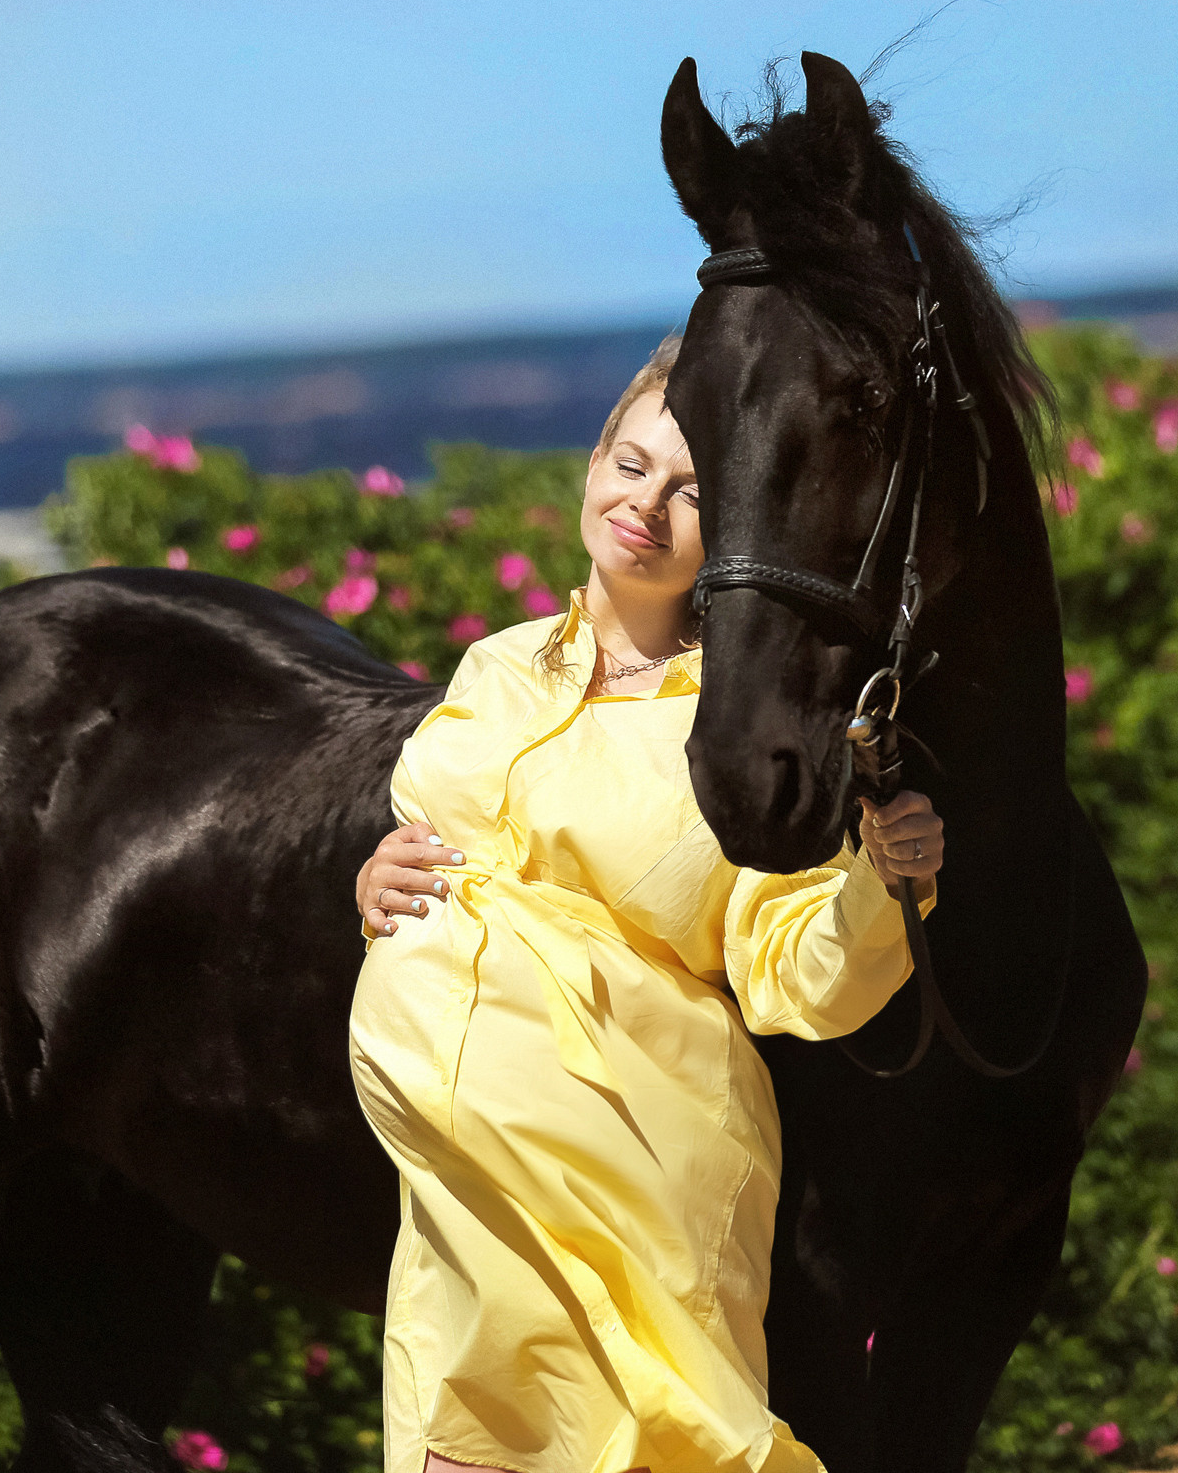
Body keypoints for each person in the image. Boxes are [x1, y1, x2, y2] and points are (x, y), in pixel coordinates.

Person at [348, 335, 945, 1473]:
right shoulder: (498, 667)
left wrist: (888, 880)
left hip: (637, 1152)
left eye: (693, 493)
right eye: (632, 466)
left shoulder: (743, 730)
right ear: (590, 463)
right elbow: (455, 854)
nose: (648, 506)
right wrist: (376, 882)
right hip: (469, 1186)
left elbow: (789, 970)